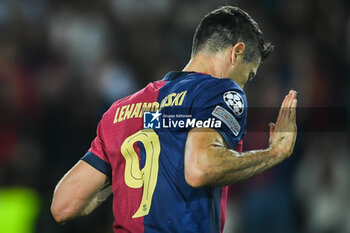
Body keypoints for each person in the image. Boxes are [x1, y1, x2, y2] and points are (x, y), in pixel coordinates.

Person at [51, 6, 297, 233]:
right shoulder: (222, 92)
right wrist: (275, 151)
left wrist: (119, 167)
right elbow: (201, 168)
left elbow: (63, 204)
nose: (244, 84)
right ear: (237, 53)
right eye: (249, 75)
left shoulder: (119, 111)